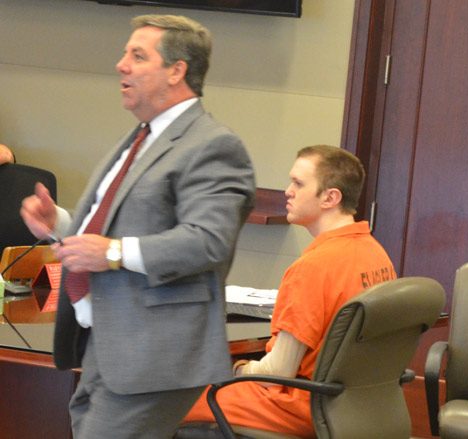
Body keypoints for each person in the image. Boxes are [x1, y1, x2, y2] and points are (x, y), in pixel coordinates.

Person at [20, 15, 255, 438]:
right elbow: (114, 226)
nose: (120, 65)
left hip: (154, 357)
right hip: (104, 346)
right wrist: (61, 224)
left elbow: (209, 240)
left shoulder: (213, 145)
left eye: (137, 55)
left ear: (176, 70)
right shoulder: (142, 137)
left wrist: (110, 253)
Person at [183, 145, 397, 437]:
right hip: (358, 404)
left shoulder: (312, 267)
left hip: (305, 406)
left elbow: (277, 374)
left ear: (330, 197)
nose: (287, 191)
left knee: (173, 399)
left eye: (298, 183)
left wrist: (237, 369)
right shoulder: (376, 253)